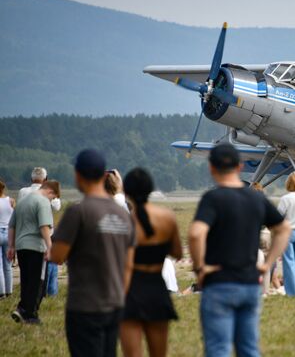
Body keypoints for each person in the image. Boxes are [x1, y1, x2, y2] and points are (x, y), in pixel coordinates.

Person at [188, 143, 291, 357]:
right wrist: (267, 264)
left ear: (211, 168)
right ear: (240, 166)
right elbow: (283, 228)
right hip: (249, 284)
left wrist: (199, 268)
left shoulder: (212, 198)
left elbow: (196, 233)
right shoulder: (256, 197)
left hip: (219, 282)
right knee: (249, 349)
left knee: (218, 349)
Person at [50, 149, 135, 357]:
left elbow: (56, 256)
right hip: (115, 303)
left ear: (78, 174)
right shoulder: (124, 214)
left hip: (85, 305)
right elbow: (130, 264)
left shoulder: (78, 211)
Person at [119, 168, 183, 357]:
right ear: (150, 190)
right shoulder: (167, 217)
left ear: (127, 193)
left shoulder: (125, 222)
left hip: (131, 290)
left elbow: (126, 265)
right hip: (157, 289)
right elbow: (177, 253)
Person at [8, 180, 60, 323]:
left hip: (21, 246)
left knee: (26, 280)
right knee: (36, 282)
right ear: (50, 192)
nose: (52, 200)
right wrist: (50, 247)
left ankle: (22, 309)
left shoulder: (23, 201)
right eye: (53, 197)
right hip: (36, 246)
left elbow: (12, 225)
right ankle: (30, 314)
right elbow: (44, 227)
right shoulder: (43, 202)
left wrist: (11, 246)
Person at [0, 180, 15, 298]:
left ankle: (1, 292)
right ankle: (9, 291)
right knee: (8, 264)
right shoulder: (11, 201)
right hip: (8, 234)